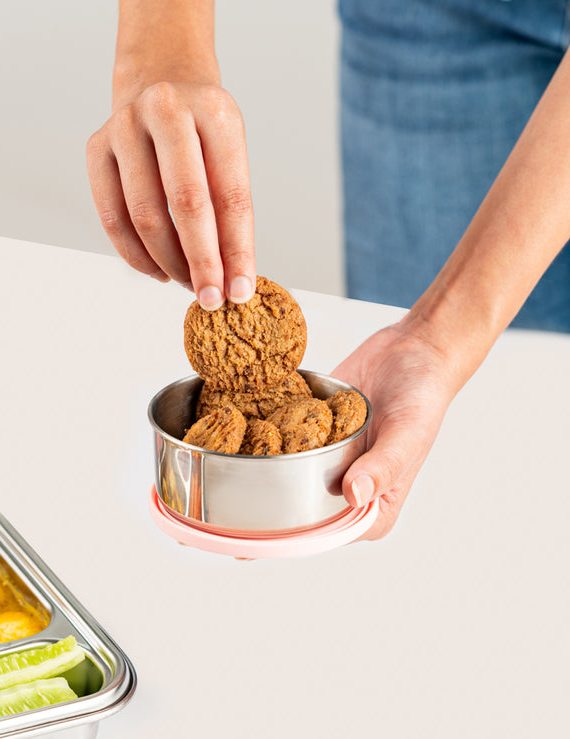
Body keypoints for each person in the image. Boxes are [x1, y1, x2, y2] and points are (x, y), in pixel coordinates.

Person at [86, 0, 570, 539]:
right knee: (474, 443)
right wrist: (159, 51)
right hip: (426, 18)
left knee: (542, 429)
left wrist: (443, 334)